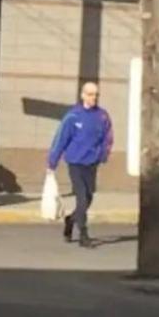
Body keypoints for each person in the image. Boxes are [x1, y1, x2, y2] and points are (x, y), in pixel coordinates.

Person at [47, 81, 114, 248]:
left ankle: (70, 220)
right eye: (90, 94)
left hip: (91, 163)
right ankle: (84, 234)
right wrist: (52, 162)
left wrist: (103, 154)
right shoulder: (73, 116)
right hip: (75, 162)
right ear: (83, 95)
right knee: (82, 197)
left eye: (96, 95)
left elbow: (108, 137)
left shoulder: (102, 116)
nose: (94, 98)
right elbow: (61, 138)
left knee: (89, 197)